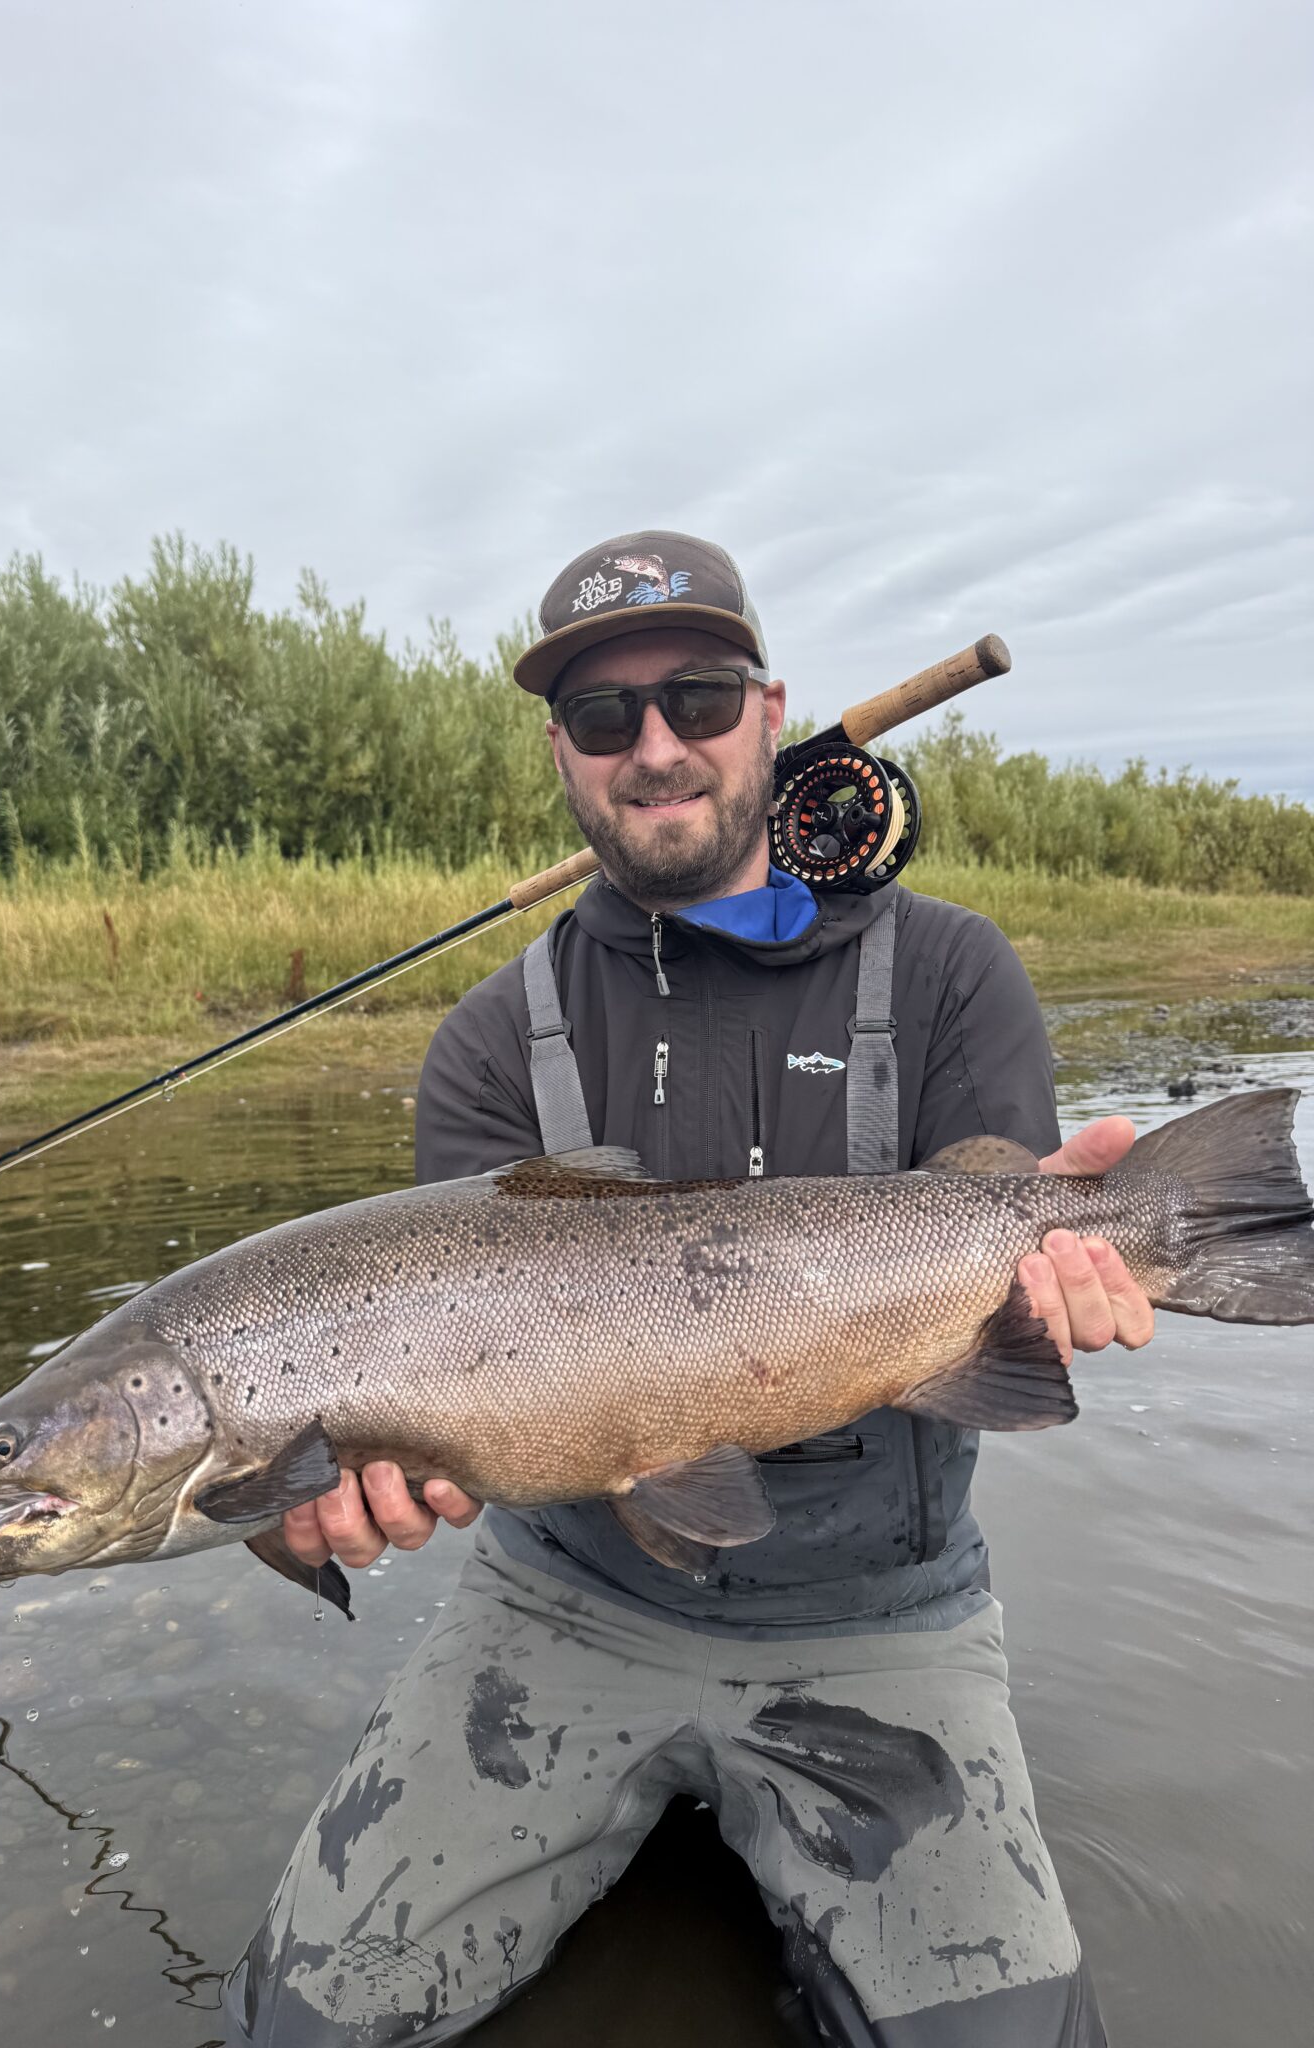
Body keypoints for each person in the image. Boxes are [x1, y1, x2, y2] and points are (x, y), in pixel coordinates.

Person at [224, 531, 1153, 2046]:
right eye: (605, 717)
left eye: (699, 699)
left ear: (771, 714)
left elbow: (1016, 1254)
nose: (655, 747)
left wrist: (1087, 1259)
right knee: (303, 2026)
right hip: (562, 1600)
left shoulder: (949, 973)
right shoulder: (490, 1041)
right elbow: (420, 1378)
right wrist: (329, 1502)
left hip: (883, 1616)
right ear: (563, 752)